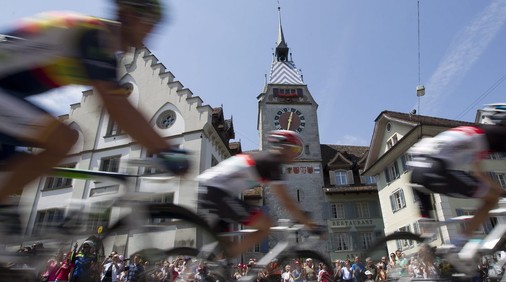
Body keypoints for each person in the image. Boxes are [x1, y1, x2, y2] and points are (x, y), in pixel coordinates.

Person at [0, 0, 190, 210]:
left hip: (8, 92)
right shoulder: (96, 36)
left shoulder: (101, 44)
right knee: (63, 139)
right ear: (132, 17)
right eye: (149, 28)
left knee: (13, 169)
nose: (149, 38)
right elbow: (116, 106)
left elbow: (113, 106)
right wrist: (165, 150)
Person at [407, 103, 506, 244]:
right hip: (436, 170)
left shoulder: (476, 133)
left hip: (416, 173)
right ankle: (458, 243)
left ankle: (428, 249)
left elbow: (479, 174)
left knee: (428, 231)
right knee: (491, 199)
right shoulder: (501, 135)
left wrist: (503, 192)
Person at [197, 130, 318, 258]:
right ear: (284, 147)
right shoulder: (272, 161)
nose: (295, 155)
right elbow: (286, 201)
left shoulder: (265, 158)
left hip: (212, 191)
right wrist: (310, 225)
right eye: (294, 150)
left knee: (228, 246)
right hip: (217, 192)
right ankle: (220, 264)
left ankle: (215, 269)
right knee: (266, 225)